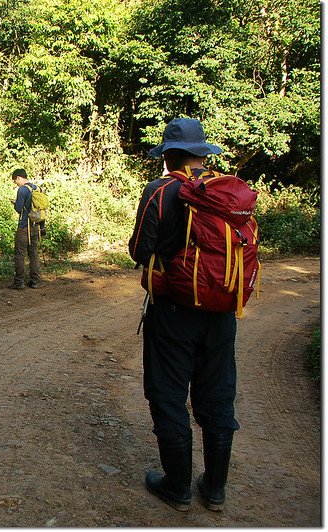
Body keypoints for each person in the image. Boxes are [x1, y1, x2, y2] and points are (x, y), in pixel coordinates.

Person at [128, 118, 239, 512]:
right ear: (202, 153)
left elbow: (140, 250)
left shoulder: (161, 191)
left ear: (168, 155)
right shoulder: (226, 190)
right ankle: (215, 487)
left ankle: (177, 486)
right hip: (223, 311)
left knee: (168, 394)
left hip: (173, 309)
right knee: (217, 394)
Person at [10, 168, 44, 289]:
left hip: (24, 227)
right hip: (36, 226)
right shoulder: (37, 188)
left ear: (19, 178)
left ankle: (19, 282)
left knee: (20, 254)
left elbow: (19, 208)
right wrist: (42, 227)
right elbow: (41, 208)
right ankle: (34, 281)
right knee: (33, 254)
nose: (16, 183)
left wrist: (15, 203)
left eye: (15, 181)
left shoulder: (22, 190)